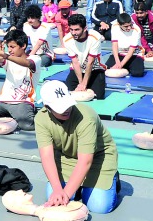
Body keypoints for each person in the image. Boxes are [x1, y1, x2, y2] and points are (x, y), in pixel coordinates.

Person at [34, 80, 119, 213]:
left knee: (99, 207)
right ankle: (79, 186)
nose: (67, 110)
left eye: (67, 104)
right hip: (67, 158)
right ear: (47, 107)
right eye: (60, 107)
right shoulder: (41, 118)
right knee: (52, 196)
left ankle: (112, 179)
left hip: (97, 159)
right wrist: (57, 190)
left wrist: (65, 195)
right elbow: (47, 156)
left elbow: (86, 161)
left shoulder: (86, 117)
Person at [62, 14, 105, 100]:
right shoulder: (67, 40)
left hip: (95, 68)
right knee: (68, 91)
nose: (73, 33)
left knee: (99, 96)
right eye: (71, 30)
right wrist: (80, 82)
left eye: (77, 30)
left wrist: (84, 84)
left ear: (85, 28)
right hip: (78, 69)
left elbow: (90, 62)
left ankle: (92, 83)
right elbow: (75, 62)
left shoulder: (95, 37)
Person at [105, 13, 144, 77]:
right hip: (120, 53)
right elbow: (114, 46)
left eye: (130, 25)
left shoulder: (136, 30)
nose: (129, 28)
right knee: (107, 68)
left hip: (134, 54)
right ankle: (126, 67)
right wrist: (117, 62)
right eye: (126, 26)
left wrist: (121, 65)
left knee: (137, 73)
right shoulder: (115, 27)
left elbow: (131, 51)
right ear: (119, 25)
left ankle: (127, 67)